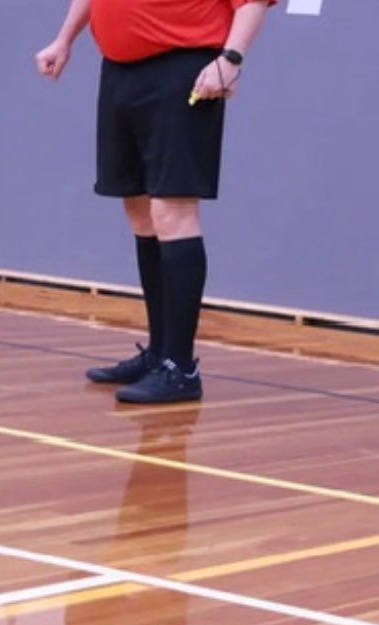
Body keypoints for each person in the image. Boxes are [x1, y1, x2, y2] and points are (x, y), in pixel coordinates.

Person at [35, 0, 275, 404]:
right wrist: (64, 40)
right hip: (120, 72)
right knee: (140, 209)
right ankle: (159, 354)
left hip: (183, 68)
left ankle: (180, 368)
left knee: (172, 211)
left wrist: (230, 59)